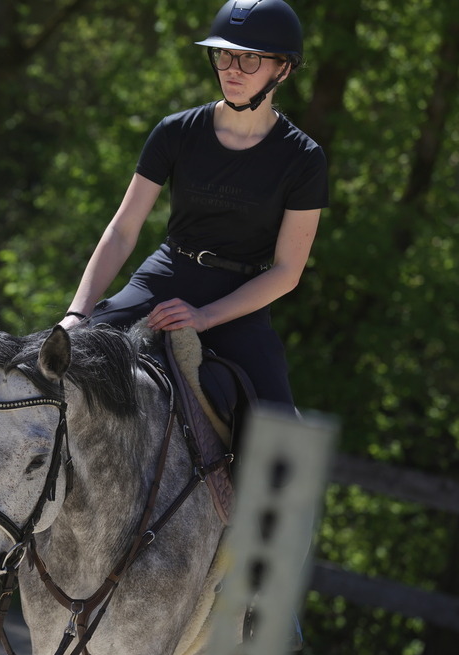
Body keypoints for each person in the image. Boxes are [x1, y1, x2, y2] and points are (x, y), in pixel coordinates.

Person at [60, 0, 328, 413]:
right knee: (61, 357)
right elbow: (122, 230)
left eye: (250, 59)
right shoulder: (175, 132)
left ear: (284, 69)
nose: (232, 68)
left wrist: (204, 317)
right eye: (223, 54)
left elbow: (287, 272)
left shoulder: (304, 158)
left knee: (281, 440)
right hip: (163, 278)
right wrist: (77, 314)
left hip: (240, 298)